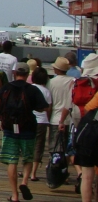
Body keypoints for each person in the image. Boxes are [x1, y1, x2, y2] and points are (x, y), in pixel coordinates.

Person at [0, 65, 50, 202]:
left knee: (12, 160)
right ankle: (24, 182)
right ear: (27, 74)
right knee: (27, 158)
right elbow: (43, 107)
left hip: (9, 127)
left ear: (15, 73)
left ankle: (15, 195)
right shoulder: (32, 89)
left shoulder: (7, 87)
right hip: (28, 127)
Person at [52, 57, 80, 187]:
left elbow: (49, 102)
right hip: (72, 119)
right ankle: (66, 171)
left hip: (55, 119)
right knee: (69, 148)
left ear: (56, 69)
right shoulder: (73, 81)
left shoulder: (51, 82)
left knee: (56, 149)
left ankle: (57, 173)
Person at [27, 67, 52, 182]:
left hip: (28, 119)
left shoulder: (29, 88)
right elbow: (48, 108)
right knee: (39, 147)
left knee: (27, 144)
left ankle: (26, 169)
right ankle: (33, 173)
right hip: (42, 121)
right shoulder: (46, 91)